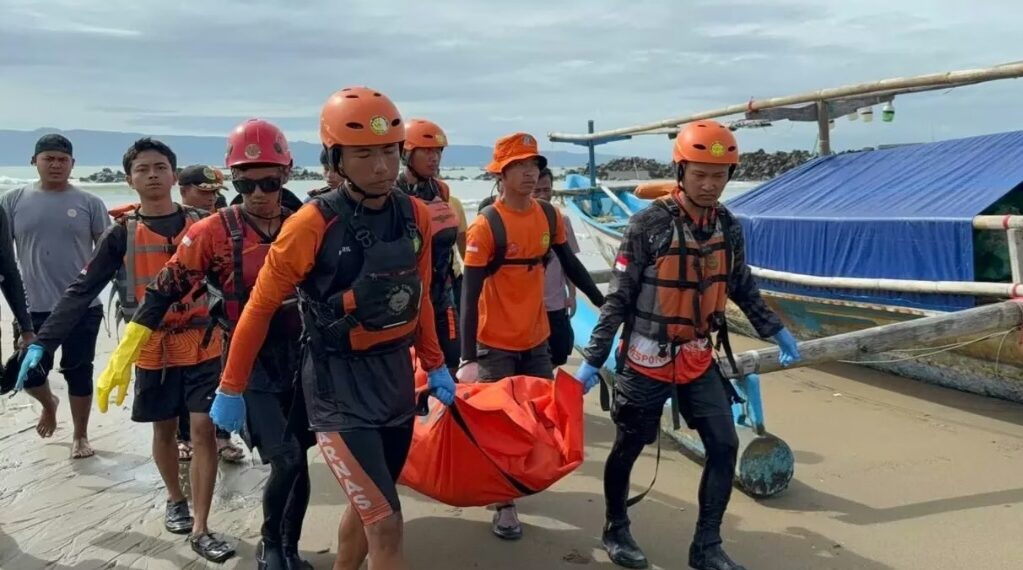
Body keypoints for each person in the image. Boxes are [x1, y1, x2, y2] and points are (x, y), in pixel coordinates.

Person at [210, 86, 455, 570]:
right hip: (336, 388)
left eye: (390, 151)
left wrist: (436, 363)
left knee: (370, 505)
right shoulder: (310, 224)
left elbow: (420, 296)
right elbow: (258, 308)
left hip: (394, 381)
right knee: (386, 520)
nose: (382, 166)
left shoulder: (416, 216)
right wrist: (231, 387)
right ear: (335, 158)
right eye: (364, 154)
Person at [574, 120, 802, 570]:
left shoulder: (728, 227)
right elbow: (618, 297)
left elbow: (741, 286)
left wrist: (775, 329)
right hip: (646, 356)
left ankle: (707, 546)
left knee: (723, 445)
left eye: (719, 176)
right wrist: (593, 360)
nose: (709, 184)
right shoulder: (648, 224)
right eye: (700, 174)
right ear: (680, 171)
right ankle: (616, 528)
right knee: (630, 444)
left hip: (698, 356)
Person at [17, 138, 234, 563]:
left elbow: (238, 282)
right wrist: (44, 342)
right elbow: (82, 289)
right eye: (142, 169)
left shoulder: (207, 225)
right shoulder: (121, 233)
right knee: (164, 429)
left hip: (205, 340)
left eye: (160, 167)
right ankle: (175, 499)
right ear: (129, 179)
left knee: (204, 428)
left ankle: (203, 525)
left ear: (174, 174)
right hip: (150, 344)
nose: (152, 175)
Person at [115, 120, 313, 569]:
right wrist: (127, 349)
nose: (259, 193)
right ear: (232, 179)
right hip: (246, 361)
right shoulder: (212, 232)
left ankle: (290, 546)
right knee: (285, 457)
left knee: (300, 457)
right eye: (245, 183)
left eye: (269, 181)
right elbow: (163, 289)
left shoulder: (310, 224)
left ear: (287, 174)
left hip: (303, 359)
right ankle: (270, 543)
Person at [457, 132, 604, 540]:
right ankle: (505, 505)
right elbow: (468, 297)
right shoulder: (486, 226)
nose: (529, 173)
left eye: (534, 165)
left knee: (540, 420)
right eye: (519, 166)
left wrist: (602, 301)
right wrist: (467, 358)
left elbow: (569, 263)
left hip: (535, 339)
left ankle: (516, 482)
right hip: (494, 345)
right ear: (500, 175)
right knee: (500, 428)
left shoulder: (549, 217)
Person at [0, 133, 109, 458]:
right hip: (31, 308)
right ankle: (49, 403)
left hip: (82, 307)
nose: (56, 164)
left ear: (73, 164)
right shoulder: (12, 201)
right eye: (49, 158)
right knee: (29, 373)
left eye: (63, 159)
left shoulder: (90, 203)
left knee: (79, 372)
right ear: (34, 162)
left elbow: (109, 254)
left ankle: (80, 436)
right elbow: (3, 257)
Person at [174, 163, 245, 462]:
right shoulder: (173, 221)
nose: (211, 198)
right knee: (180, 379)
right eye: (204, 192)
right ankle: (184, 437)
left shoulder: (225, 219)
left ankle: (222, 437)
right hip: (178, 316)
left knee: (221, 374)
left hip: (216, 315)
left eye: (215, 192)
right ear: (183, 190)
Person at [397, 118, 464, 372]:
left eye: (437, 151)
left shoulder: (442, 191)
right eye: (426, 151)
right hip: (408, 298)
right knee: (411, 369)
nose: (434, 157)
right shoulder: (394, 195)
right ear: (406, 154)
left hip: (442, 293)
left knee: (451, 358)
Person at [531, 167, 579, 367]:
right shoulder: (520, 223)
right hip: (530, 308)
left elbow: (571, 264)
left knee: (558, 355)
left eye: (547, 189)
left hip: (556, 304)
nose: (543, 195)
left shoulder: (562, 221)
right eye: (537, 190)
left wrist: (573, 295)